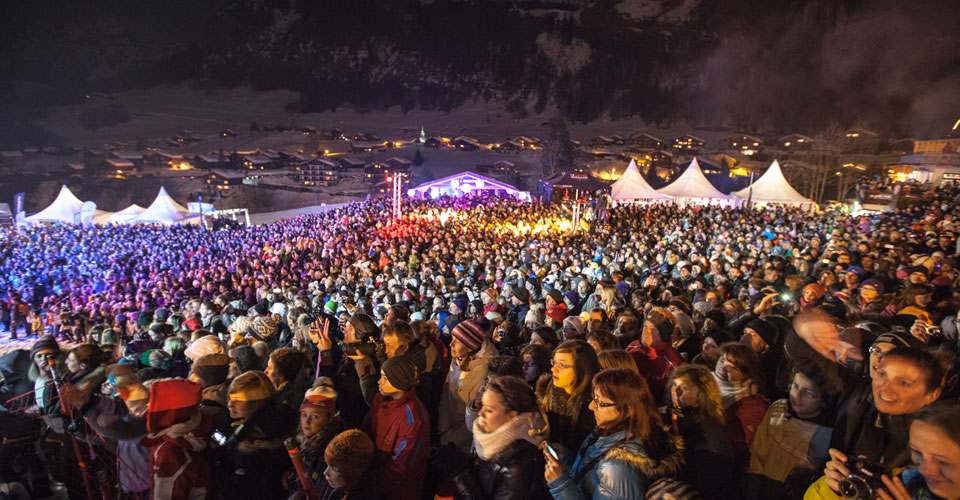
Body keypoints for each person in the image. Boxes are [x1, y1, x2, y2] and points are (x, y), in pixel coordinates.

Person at [542, 368, 684, 500]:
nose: (591, 406)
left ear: (628, 409)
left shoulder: (618, 468)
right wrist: (566, 458)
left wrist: (560, 484)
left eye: (600, 403)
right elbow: (591, 479)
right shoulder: (608, 432)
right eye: (593, 397)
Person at [804, 399, 960, 500]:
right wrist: (835, 490)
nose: (925, 469)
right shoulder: (902, 482)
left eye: (942, 461)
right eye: (917, 452)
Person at [448, 375, 550, 500]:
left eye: (489, 410)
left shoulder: (521, 463)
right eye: (482, 406)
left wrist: (460, 474)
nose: (480, 413)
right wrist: (462, 462)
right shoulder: (491, 440)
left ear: (512, 416)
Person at [745, 364, 835, 500]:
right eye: (795, 386)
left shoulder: (826, 435)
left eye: (808, 393)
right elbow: (758, 453)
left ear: (824, 400)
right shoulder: (778, 409)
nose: (797, 396)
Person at [220, 371, 297, 500]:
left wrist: (218, 465)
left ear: (256, 402)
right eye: (230, 399)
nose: (230, 405)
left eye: (237, 401)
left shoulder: (255, 438)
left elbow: (240, 488)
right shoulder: (281, 418)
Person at [665, 364, 735, 500]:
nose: (675, 392)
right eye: (674, 385)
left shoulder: (710, 436)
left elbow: (708, 487)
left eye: (684, 388)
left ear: (702, 393)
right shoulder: (673, 418)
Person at [364, 356, 430, 500]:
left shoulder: (413, 419)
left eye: (385, 378)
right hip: (374, 475)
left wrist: (367, 485)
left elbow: (400, 467)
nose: (379, 381)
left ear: (399, 381)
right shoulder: (379, 400)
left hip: (397, 491)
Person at [439, 320, 495, 451]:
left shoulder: (483, 371)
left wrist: (450, 438)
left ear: (470, 347)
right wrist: (443, 428)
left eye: (457, 341)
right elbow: (446, 393)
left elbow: (476, 416)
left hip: (463, 441)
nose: (450, 344)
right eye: (452, 339)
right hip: (448, 432)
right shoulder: (457, 359)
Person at [536, 340, 600, 451]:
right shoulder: (547, 394)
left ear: (582, 369)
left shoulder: (595, 408)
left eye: (561, 365)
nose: (553, 369)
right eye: (554, 362)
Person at [712, 342, 769, 460]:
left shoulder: (753, 405)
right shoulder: (705, 381)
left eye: (732, 367)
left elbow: (739, 444)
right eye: (722, 361)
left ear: (746, 373)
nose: (723, 368)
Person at [319, 429, 379, 500]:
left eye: (335, 468)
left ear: (352, 472)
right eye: (327, 464)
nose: (325, 472)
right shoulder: (334, 486)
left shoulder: (364, 496)